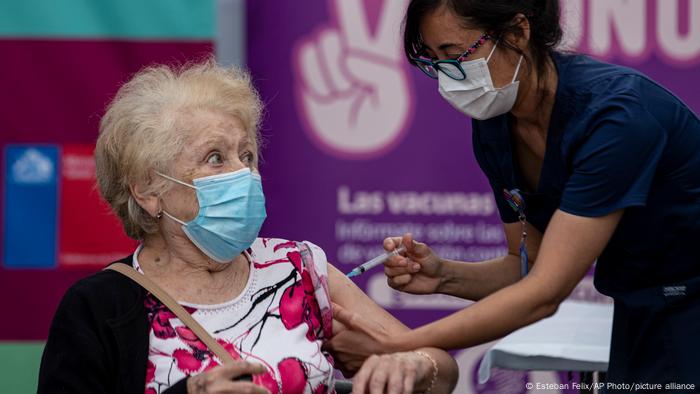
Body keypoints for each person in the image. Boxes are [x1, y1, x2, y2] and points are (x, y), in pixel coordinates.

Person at [327, 0, 700, 390]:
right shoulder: (494, 125)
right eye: (433, 60)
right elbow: (528, 265)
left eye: (455, 55)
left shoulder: (616, 118)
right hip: (641, 311)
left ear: (518, 32)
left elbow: (544, 293)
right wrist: (444, 276)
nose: (446, 76)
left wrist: (398, 345)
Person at [37, 58, 458, 394]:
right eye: (216, 158)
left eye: (248, 155)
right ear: (149, 191)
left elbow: (442, 368)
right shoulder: (96, 307)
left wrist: (411, 366)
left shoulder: (299, 267)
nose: (244, 173)